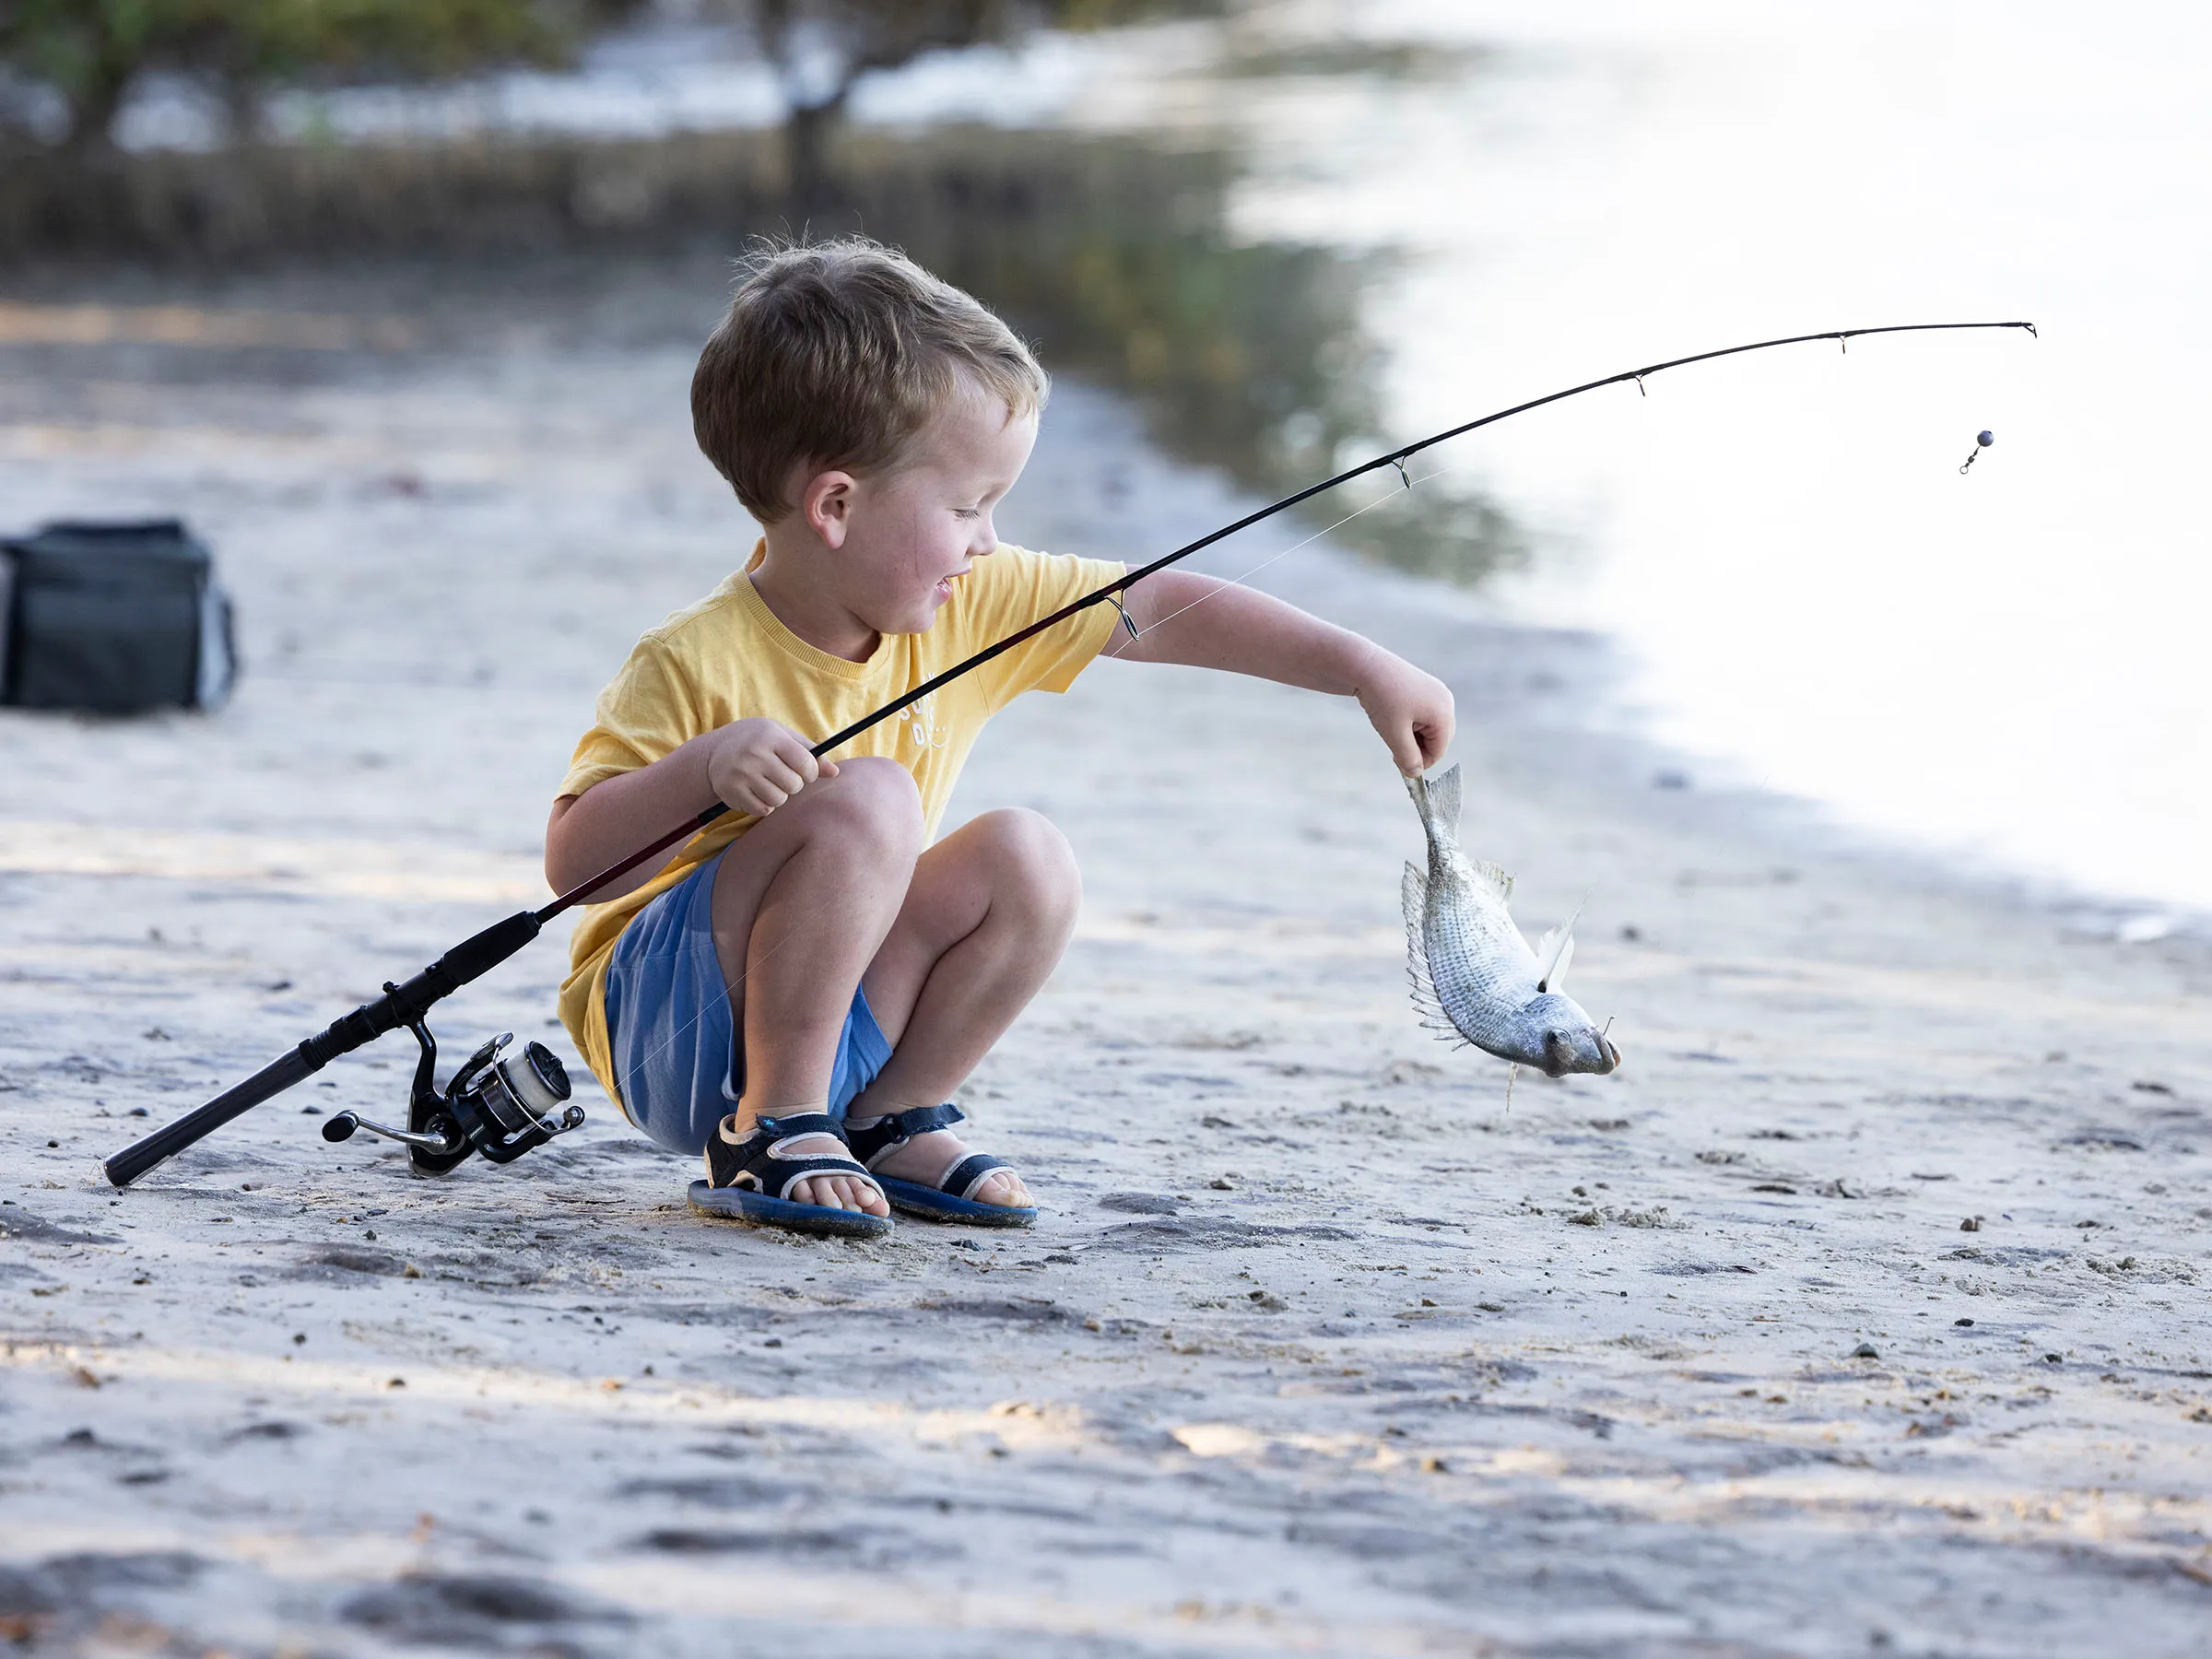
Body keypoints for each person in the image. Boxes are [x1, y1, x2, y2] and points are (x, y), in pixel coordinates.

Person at [546, 238, 1453, 1238]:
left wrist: (1362, 666)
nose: (987, 541)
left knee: (1027, 857)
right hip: (672, 1030)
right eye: (969, 506)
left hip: (837, 1005)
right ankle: (774, 1125)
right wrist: (702, 772)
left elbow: (1154, 604)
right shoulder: (692, 658)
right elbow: (578, 870)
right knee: (876, 797)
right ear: (837, 506)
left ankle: (886, 1118)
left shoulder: (976, 600)